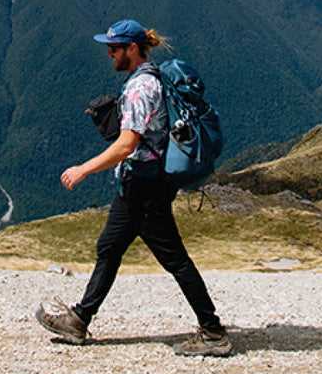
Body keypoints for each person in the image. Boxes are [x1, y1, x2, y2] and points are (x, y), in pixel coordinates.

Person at [36, 20, 234, 357]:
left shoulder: (140, 88)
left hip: (145, 185)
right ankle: (79, 319)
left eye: (114, 48)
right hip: (137, 183)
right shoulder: (151, 77)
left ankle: (213, 332)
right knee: (110, 247)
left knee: (175, 259)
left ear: (132, 48)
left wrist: (83, 169)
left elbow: (127, 144)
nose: (109, 53)